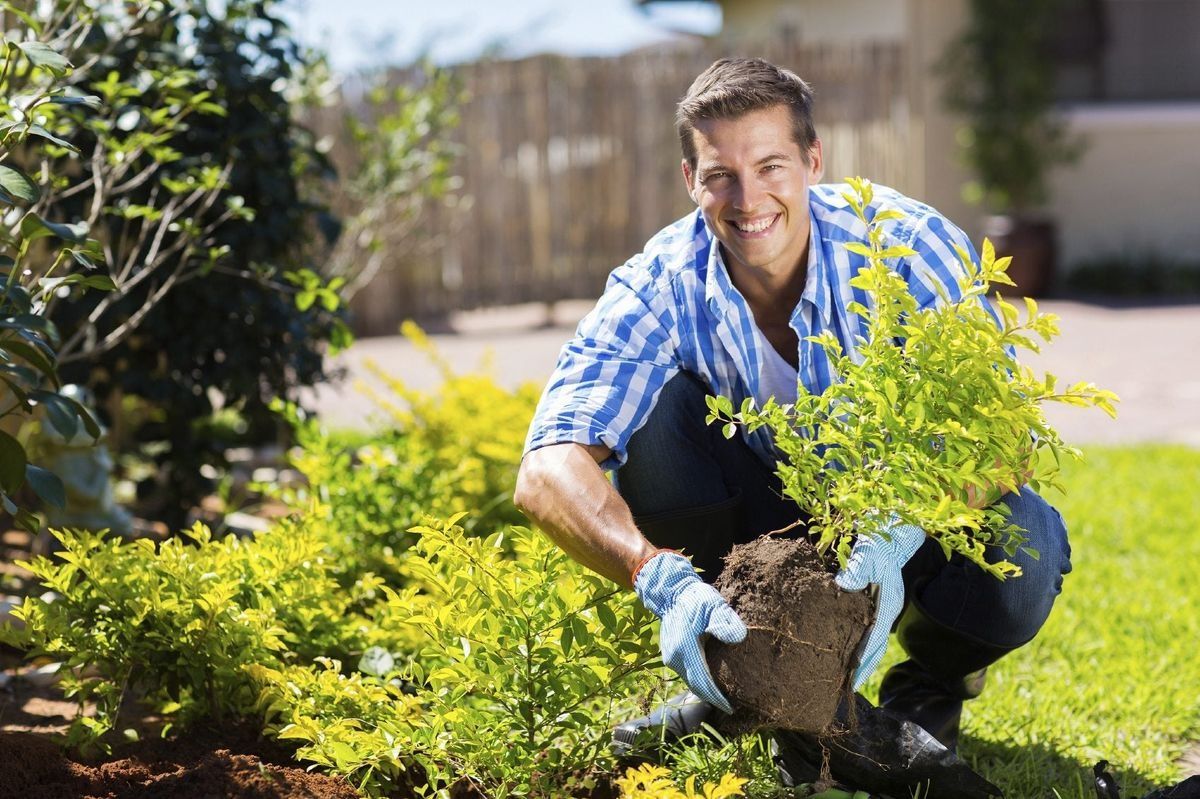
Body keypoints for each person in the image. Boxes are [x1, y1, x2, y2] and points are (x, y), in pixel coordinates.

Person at [512, 56, 1071, 756]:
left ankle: (930, 682)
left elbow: (1004, 430)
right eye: (720, 176)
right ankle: (739, 668)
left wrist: (900, 525)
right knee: (650, 418)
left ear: (812, 159)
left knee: (1023, 542)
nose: (748, 200)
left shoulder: (900, 244)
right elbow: (546, 467)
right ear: (691, 182)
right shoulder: (660, 281)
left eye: (771, 166)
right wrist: (652, 571)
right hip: (758, 527)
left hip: (906, 517)